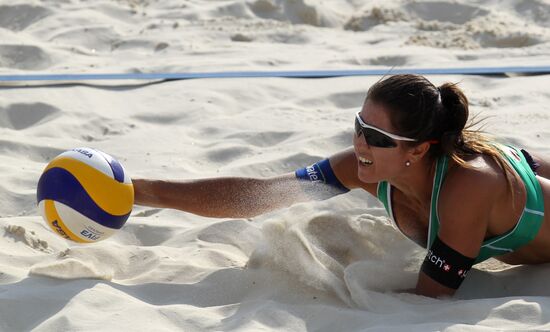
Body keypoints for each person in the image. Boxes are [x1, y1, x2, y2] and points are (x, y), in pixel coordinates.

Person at [132, 74, 550, 298]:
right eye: (359, 126)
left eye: (378, 138)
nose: (361, 144)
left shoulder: (466, 191)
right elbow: (258, 195)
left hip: (504, 183)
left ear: (418, 150)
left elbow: (434, 293)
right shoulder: (362, 166)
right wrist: (141, 191)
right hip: (507, 176)